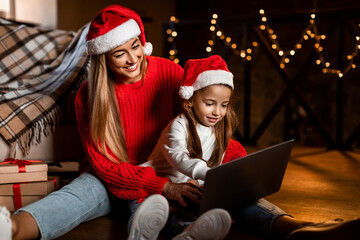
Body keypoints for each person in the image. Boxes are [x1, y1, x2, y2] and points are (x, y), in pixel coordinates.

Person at [1, 4, 359, 240]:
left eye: (135, 46)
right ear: (104, 60)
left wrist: (234, 166)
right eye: (119, 53)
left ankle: (295, 229)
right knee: (77, 196)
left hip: (172, 167)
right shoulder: (89, 97)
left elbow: (205, 125)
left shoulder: (170, 73)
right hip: (119, 175)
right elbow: (101, 163)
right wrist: (161, 187)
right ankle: (11, 227)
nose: (131, 59)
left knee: (226, 191)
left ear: (143, 42)